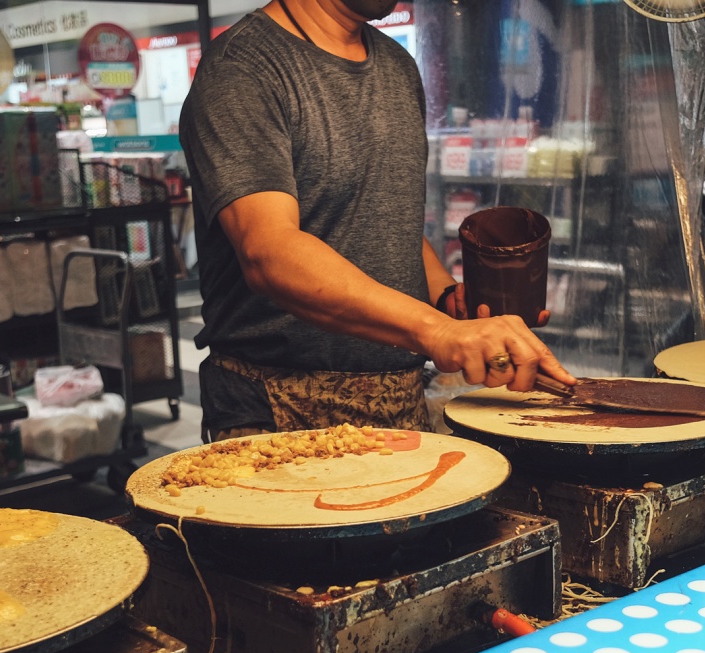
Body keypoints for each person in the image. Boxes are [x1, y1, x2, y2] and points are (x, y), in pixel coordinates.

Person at [179, 0, 574, 441]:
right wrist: (435, 330)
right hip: (277, 403)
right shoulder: (243, 68)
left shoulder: (396, 65)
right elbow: (269, 252)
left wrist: (447, 302)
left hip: (399, 395)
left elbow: (390, 217)